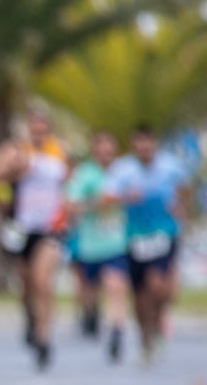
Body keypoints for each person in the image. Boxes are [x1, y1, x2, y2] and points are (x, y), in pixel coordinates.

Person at [0, 109, 70, 370]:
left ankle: (44, 337)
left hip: (50, 227)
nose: (37, 133)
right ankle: (29, 316)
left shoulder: (59, 151)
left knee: (43, 281)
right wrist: (14, 168)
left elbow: (68, 185)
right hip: (22, 227)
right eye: (33, 129)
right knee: (27, 284)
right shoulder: (15, 150)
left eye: (42, 129)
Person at [111, 124, 189, 363]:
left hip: (164, 232)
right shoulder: (123, 169)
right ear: (134, 146)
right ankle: (145, 336)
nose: (145, 148)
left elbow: (185, 190)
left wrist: (181, 209)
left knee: (158, 286)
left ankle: (158, 320)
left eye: (149, 143)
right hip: (135, 236)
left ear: (155, 144)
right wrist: (127, 197)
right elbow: (107, 198)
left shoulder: (171, 166)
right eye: (140, 143)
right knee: (140, 294)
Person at [66, 130, 132, 363]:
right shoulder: (85, 174)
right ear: (95, 151)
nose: (107, 155)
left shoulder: (123, 172)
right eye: (102, 150)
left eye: (110, 150)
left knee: (116, 287)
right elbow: (72, 206)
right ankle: (90, 315)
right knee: (89, 291)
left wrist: (126, 199)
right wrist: (98, 203)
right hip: (90, 245)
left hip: (116, 243)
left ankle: (117, 332)